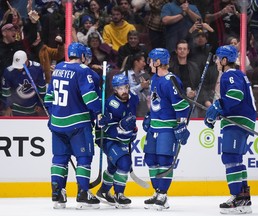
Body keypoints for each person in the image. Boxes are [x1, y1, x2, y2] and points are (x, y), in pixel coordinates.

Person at [44, 42, 102, 209]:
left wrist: (53, 114)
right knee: (84, 158)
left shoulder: (59, 67)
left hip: (57, 123)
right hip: (77, 123)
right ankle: (83, 193)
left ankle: (58, 193)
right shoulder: (83, 70)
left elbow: (49, 97)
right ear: (83, 56)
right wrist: (99, 113)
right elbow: (90, 97)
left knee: (59, 158)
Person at [204, 45, 256, 214]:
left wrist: (218, 105)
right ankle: (243, 197)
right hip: (240, 119)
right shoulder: (237, 74)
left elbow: (235, 96)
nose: (217, 62)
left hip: (237, 121)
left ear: (225, 60)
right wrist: (218, 113)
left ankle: (236, 198)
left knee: (230, 157)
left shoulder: (230, 74)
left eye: (218, 58)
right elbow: (232, 102)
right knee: (236, 158)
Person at [142, 48, 190, 210]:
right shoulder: (155, 78)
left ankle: (163, 194)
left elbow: (182, 106)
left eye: (150, 60)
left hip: (167, 129)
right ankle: (157, 192)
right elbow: (157, 102)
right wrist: (149, 116)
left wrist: (181, 124)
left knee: (164, 160)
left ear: (157, 62)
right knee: (150, 159)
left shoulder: (171, 80)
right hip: (154, 127)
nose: (148, 63)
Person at [95, 74, 139, 208]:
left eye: (125, 87)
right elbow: (101, 124)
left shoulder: (134, 98)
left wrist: (132, 130)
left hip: (123, 138)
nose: (124, 91)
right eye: (120, 88)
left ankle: (103, 191)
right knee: (124, 163)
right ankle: (119, 195)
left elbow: (131, 119)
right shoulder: (110, 104)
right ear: (115, 90)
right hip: (108, 138)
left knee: (114, 167)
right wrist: (100, 122)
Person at [1, 50, 46, 116]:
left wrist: (40, 105)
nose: (19, 69)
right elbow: (5, 92)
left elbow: (42, 89)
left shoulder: (37, 68)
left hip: (34, 108)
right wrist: (8, 106)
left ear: (26, 60)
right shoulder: (8, 71)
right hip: (15, 109)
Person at [122, 52, 150, 116]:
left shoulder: (145, 74)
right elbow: (125, 91)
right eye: (143, 61)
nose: (145, 64)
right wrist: (141, 86)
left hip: (144, 107)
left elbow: (150, 92)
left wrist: (147, 87)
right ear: (136, 62)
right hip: (130, 105)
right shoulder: (125, 74)